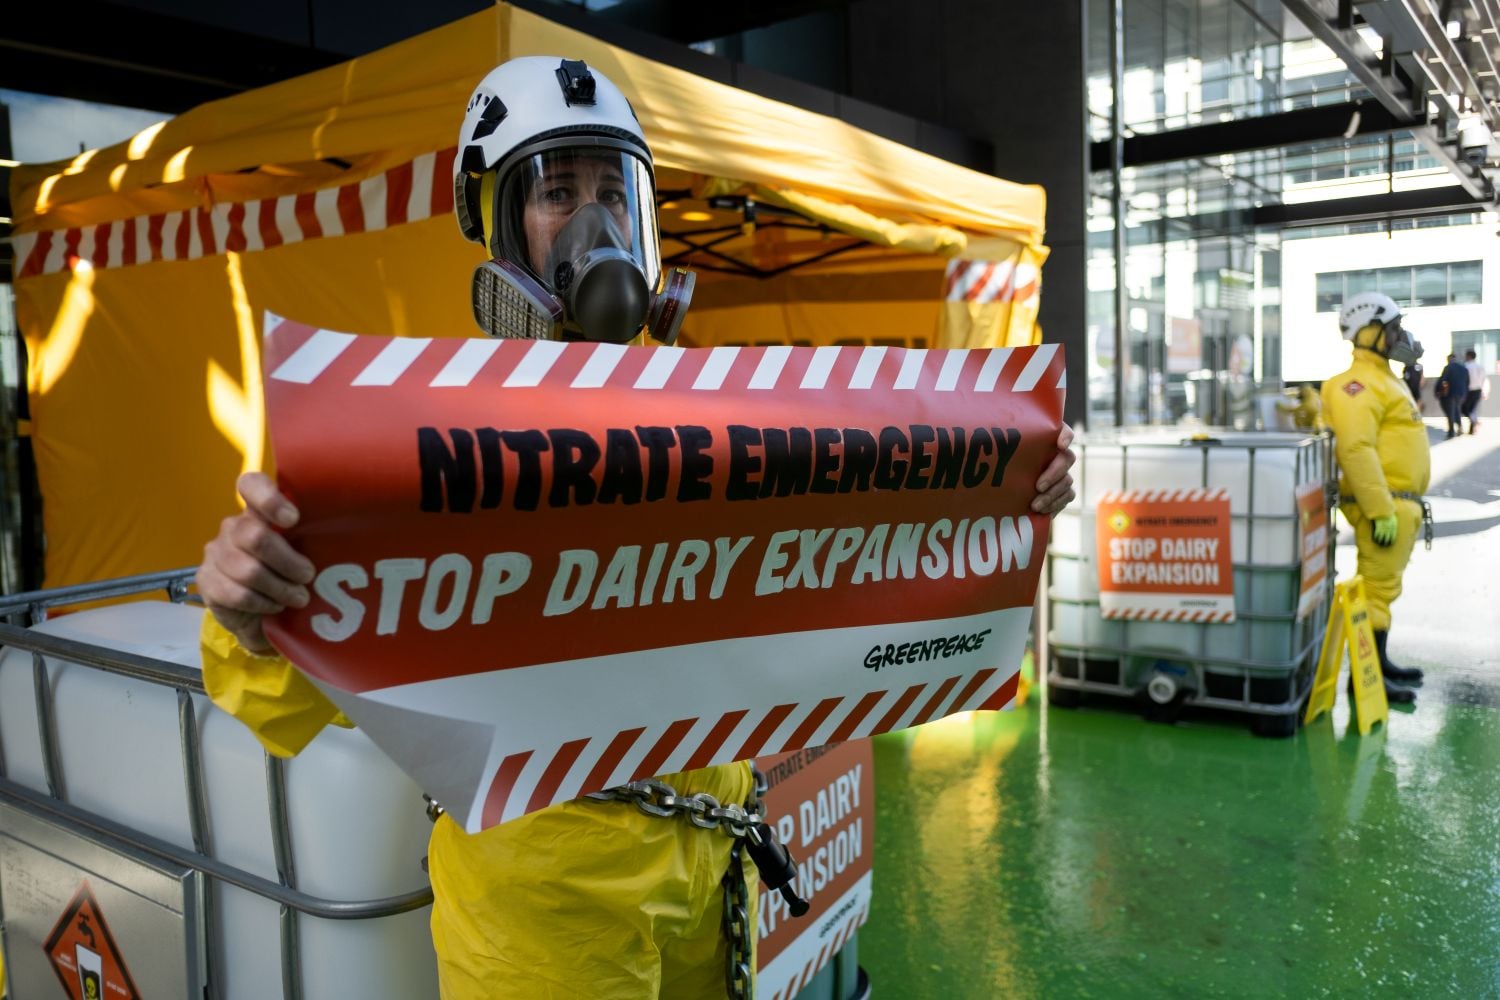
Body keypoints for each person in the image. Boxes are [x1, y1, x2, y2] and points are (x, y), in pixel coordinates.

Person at [195, 56, 1079, 999]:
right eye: (557, 192)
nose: (596, 224)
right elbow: (292, 687)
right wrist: (251, 607)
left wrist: (1007, 486)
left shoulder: (716, 416)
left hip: (715, 857)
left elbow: (854, 544)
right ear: (497, 227)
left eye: (617, 192)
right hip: (545, 908)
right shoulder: (426, 437)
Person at [1320, 292, 1430, 705]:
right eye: (1393, 329)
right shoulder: (1356, 385)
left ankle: (1379, 666)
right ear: (1367, 332)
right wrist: (1380, 510)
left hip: (1399, 504)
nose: (1401, 336)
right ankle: (1366, 679)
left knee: (1384, 590)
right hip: (1385, 507)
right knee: (1375, 594)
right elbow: (1355, 450)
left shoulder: (1385, 379)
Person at [1437, 352, 1470, 439]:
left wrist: (1439, 391)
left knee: (1450, 413)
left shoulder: (1448, 368)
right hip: (1461, 393)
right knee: (1457, 410)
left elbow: (1443, 381)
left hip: (1450, 393)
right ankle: (1460, 428)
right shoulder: (1463, 368)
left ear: (1449, 359)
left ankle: (1451, 432)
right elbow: (1467, 382)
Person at [1461, 348, 1488, 434]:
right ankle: (1472, 427)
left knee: (1465, 409)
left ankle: (1474, 422)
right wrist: (1484, 390)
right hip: (1478, 390)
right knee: (1473, 409)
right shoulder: (1480, 366)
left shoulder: (1465, 366)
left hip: (1469, 390)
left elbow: (1463, 380)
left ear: (1468, 356)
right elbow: (1484, 379)